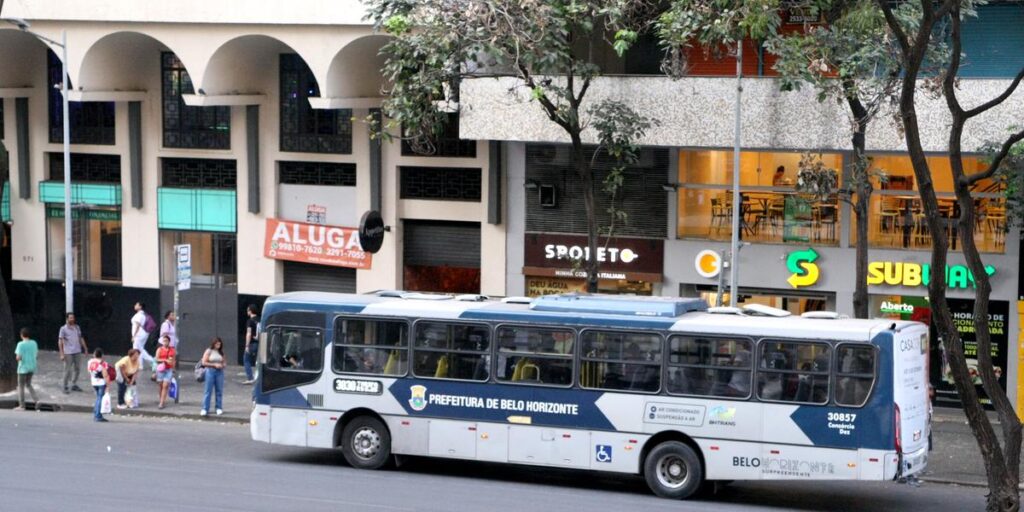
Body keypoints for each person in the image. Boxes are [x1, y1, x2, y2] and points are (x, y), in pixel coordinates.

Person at [58, 312, 88, 394]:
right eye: (70, 318)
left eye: (73, 318)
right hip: (68, 353)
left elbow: (81, 338)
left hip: (77, 351)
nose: (72, 319)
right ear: (67, 319)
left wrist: (85, 348)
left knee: (77, 369)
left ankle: (73, 383)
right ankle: (65, 386)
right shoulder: (63, 329)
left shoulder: (77, 327)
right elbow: (60, 341)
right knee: (67, 370)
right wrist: (61, 353)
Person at [14, 328, 40, 411]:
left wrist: (18, 359)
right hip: (32, 366)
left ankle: (22, 406)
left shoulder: (20, 344)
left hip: (22, 368)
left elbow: (18, 357)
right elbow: (36, 355)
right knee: (28, 384)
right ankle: (37, 400)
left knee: (21, 386)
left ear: (21, 335)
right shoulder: (34, 343)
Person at [200, 337, 226, 416]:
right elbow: (204, 362)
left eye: (219, 344)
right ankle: (205, 408)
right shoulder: (209, 351)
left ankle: (218, 407)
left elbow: (224, 362)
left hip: (219, 372)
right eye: (217, 344)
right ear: (213, 344)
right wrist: (214, 365)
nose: (218, 345)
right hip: (210, 371)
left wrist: (222, 365)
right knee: (208, 390)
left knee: (219, 390)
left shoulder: (221, 352)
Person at [87, 349, 112, 422]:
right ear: (102, 355)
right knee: (100, 399)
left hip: (94, 382)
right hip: (101, 383)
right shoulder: (103, 364)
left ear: (94, 354)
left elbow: (89, 371)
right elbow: (106, 375)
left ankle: (96, 413)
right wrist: (108, 386)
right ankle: (98, 416)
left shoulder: (90, 362)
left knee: (98, 398)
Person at [131, 302, 156, 375]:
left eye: (136, 304)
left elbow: (138, 326)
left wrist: (134, 336)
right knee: (139, 349)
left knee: (138, 350)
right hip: (143, 334)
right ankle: (140, 365)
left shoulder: (139, 315)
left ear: (140, 306)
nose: (135, 305)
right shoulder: (142, 314)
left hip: (139, 334)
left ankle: (152, 360)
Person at [155, 335, 176, 409]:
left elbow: (173, 360)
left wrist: (173, 369)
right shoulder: (159, 349)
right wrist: (165, 360)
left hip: (168, 369)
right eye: (164, 341)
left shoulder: (172, 350)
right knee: (161, 385)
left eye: (166, 341)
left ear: (169, 342)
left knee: (165, 385)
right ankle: (161, 399)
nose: (165, 342)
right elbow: (156, 359)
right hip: (161, 369)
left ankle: (161, 402)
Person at [243, 304, 259, 383]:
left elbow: (249, 333)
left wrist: (247, 345)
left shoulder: (250, 321)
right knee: (259, 361)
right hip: (260, 343)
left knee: (246, 360)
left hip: (252, 343)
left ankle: (250, 378)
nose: (247, 312)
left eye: (248, 310)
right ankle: (259, 378)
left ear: (250, 311)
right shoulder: (260, 320)